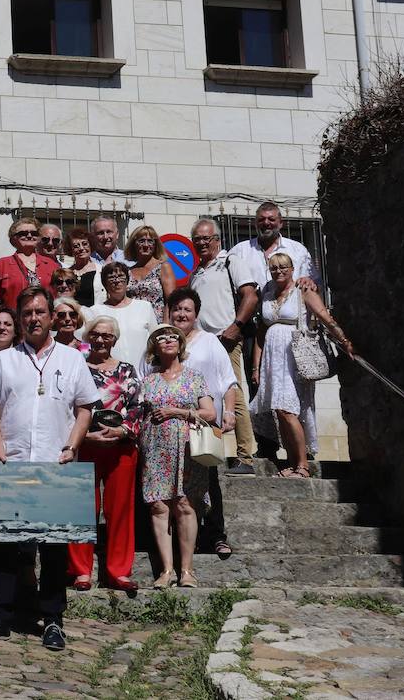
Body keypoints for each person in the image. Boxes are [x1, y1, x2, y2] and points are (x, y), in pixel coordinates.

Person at [0, 287, 96, 650]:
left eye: (40, 312)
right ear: (20, 317)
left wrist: (72, 445)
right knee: (5, 545)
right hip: (12, 465)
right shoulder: (4, 360)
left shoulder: (72, 360)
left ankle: (53, 619)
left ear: (52, 316)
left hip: (54, 466)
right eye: (27, 312)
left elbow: (86, 407)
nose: (34, 318)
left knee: (54, 549)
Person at [252, 253, 353, 478]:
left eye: (283, 267)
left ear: (292, 268)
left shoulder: (303, 291)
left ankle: (303, 465)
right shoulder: (268, 295)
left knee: (289, 410)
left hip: (295, 357)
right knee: (279, 410)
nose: (278, 271)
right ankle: (291, 461)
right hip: (272, 358)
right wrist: (256, 366)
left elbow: (324, 316)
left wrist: (344, 340)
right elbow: (261, 332)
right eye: (274, 268)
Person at [162, 289, 240, 560]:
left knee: (209, 482)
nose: (182, 314)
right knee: (176, 485)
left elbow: (227, 380)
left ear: (196, 314)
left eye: (188, 310)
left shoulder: (209, 342)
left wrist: (229, 411)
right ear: (169, 311)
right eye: (177, 309)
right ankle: (183, 541)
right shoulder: (162, 341)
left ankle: (216, 536)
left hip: (204, 422)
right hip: (170, 427)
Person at [66, 315, 141, 592]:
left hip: (120, 447)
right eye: (95, 334)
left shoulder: (127, 369)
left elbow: (137, 406)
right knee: (81, 510)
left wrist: (122, 432)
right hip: (84, 445)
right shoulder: (76, 367)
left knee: (120, 510)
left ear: (115, 339)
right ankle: (80, 571)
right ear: (88, 337)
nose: (100, 339)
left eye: (107, 335)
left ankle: (118, 571)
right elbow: (65, 406)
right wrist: (84, 435)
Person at [139, 325, 217, 589]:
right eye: (161, 336)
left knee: (185, 504)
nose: (168, 340)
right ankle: (166, 570)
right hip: (155, 448)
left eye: (173, 336)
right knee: (159, 506)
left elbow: (210, 413)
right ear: (154, 346)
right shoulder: (148, 381)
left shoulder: (194, 377)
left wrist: (176, 412)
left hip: (186, 447)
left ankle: (187, 571)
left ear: (181, 345)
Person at [188, 219, 258, 474]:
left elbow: (250, 295)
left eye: (206, 239)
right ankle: (210, 452)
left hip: (226, 340)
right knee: (206, 398)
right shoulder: (197, 272)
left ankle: (245, 457)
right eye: (197, 239)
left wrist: (235, 327)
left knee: (234, 396)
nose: (202, 243)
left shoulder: (232, 261)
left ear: (217, 239)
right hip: (202, 344)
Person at [84, 262, 158, 369]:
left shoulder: (145, 307)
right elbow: (87, 344)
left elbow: (155, 340)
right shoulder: (94, 311)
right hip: (110, 376)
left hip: (144, 371)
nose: (117, 281)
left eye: (120, 276)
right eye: (112, 277)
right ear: (104, 284)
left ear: (127, 281)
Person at [230, 202, 317, 290]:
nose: (266, 223)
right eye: (261, 219)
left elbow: (314, 284)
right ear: (255, 223)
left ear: (280, 223)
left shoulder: (298, 250)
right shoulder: (239, 251)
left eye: (271, 219)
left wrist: (309, 282)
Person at [0, 218, 61, 312]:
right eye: (23, 233)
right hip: (14, 322)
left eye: (34, 233)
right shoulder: (1, 265)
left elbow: (60, 296)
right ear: (13, 238)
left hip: (45, 322)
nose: (29, 236)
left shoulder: (52, 266)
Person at [124, 226, 176, 322]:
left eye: (150, 241)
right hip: (132, 322)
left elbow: (171, 301)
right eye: (141, 241)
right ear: (134, 244)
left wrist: (166, 325)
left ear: (155, 245)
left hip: (156, 324)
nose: (146, 245)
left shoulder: (163, 267)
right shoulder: (128, 271)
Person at [64, 228, 97, 306]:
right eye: (76, 246)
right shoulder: (67, 273)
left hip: (95, 316)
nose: (81, 248)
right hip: (73, 316)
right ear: (71, 249)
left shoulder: (100, 271)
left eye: (85, 244)